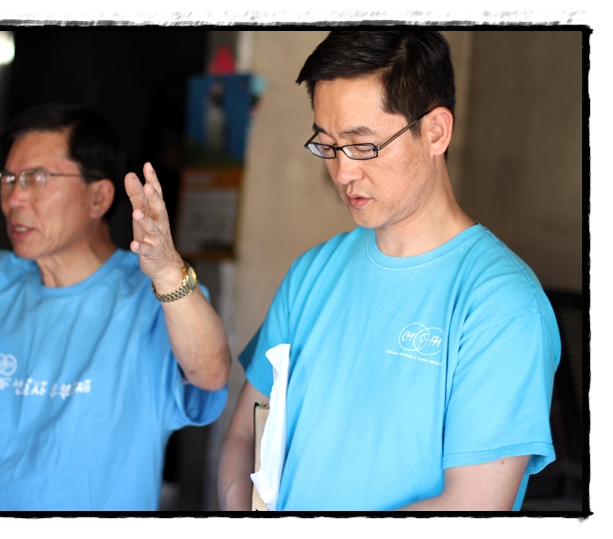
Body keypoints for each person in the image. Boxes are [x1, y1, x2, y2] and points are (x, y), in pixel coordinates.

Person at [217, 30, 560, 512]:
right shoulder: (312, 272)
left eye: (363, 145)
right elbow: (243, 437)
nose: (343, 173)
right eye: (327, 145)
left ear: (436, 131)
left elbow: (474, 504)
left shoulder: (502, 305)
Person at [0, 102, 231, 511]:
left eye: (37, 178)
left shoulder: (158, 297)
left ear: (98, 197)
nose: (14, 198)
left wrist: (168, 272)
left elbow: (211, 372)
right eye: (7, 179)